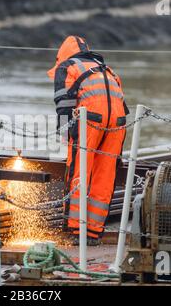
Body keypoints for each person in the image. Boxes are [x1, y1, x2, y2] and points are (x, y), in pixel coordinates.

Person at [48, 36, 129, 245]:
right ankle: (93, 234)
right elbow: (123, 105)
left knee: (78, 172)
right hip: (117, 124)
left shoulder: (67, 67)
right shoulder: (107, 69)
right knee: (105, 177)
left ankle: (75, 232)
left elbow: (64, 105)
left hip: (90, 120)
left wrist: (66, 134)